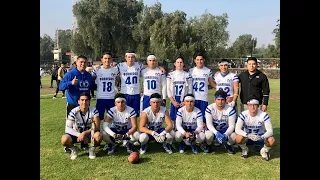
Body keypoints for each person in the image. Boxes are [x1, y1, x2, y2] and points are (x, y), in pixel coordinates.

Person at [59, 55, 95, 153]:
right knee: (71, 126)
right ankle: (69, 146)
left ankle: (84, 144)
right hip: (73, 104)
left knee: (85, 124)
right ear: (76, 63)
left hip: (85, 105)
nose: (83, 64)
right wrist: (71, 83)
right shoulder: (71, 74)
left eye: (85, 62)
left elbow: (93, 86)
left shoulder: (88, 75)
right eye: (81, 62)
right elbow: (61, 86)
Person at [60, 93, 102, 160]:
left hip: (88, 134)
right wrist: (79, 134)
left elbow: (97, 127)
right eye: (82, 100)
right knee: (64, 139)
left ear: (89, 101)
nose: (84, 102)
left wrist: (84, 133)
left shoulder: (94, 111)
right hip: (76, 134)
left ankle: (91, 149)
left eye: (86, 100)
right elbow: (67, 129)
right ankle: (73, 149)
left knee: (98, 135)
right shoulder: (73, 111)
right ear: (78, 101)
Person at [235, 96, 275, 161]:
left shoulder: (263, 115)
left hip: (259, 137)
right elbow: (237, 129)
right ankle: (245, 149)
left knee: (271, 140)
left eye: (255, 105)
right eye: (250, 105)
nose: (252, 107)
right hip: (248, 137)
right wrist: (247, 135)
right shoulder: (243, 114)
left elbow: (270, 131)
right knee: (238, 138)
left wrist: (262, 137)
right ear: (247, 106)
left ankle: (264, 151)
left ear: (258, 106)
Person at [203, 90, 237, 154]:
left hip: (225, 129)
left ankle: (228, 145)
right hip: (214, 129)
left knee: (234, 136)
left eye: (222, 100)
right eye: (218, 99)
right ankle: (209, 145)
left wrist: (225, 135)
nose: (220, 102)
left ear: (226, 100)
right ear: (215, 99)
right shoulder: (210, 108)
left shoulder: (230, 109)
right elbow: (209, 124)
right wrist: (216, 133)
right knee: (208, 135)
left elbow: (232, 126)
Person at [189, 52, 216, 126]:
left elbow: (212, 84)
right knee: (193, 119)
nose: (199, 61)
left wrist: (220, 87)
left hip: (203, 98)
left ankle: (203, 135)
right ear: (195, 60)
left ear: (203, 60)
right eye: (197, 60)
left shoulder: (208, 71)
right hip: (193, 98)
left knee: (203, 120)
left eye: (201, 59)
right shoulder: (191, 71)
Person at [116, 51, 144, 117]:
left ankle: (134, 127)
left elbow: (149, 67)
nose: (130, 59)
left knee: (135, 114)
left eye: (132, 57)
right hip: (125, 93)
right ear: (126, 58)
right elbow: (111, 71)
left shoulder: (139, 65)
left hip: (136, 93)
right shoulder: (120, 65)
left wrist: (159, 67)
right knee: (125, 113)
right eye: (129, 57)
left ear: (134, 58)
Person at [167, 55, 193, 122]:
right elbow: (168, 89)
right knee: (173, 119)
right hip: (174, 99)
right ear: (175, 64)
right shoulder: (171, 75)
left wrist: (185, 101)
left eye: (181, 62)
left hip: (184, 100)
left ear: (183, 64)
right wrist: (173, 101)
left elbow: (190, 90)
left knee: (183, 119)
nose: (179, 64)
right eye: (178, 62)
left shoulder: (187, 75)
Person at [94, 52, 120, 121]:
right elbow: (91, 80)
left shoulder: (115, 70)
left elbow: (118, 80)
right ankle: (98, 131)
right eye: (105, 58)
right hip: (100, 97)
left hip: (111, 97)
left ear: (111, 60)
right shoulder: (97, 70)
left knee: (113, 118)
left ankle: (112, 131)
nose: (107, 60)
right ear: (102, 59)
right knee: (98, 118)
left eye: (109, 58)